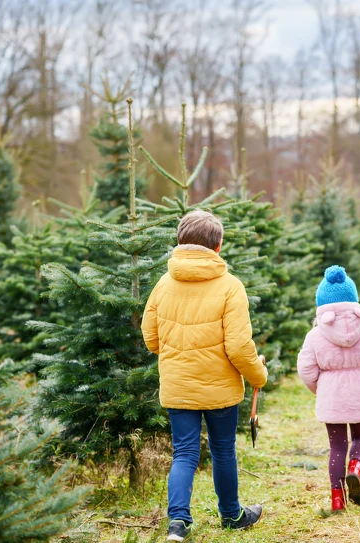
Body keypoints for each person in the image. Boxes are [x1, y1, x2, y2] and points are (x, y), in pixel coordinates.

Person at [141, 210, 268, 542]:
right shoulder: (230, 286)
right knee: (223, 449)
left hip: (178, 386)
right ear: (219, 245)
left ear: (180, 241)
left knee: (184, 453)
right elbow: (240, 347)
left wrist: (176, 356)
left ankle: (178, 524)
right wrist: (259, 375)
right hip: (220, 390)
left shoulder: (163, 284)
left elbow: (150, 337)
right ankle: (232, 515)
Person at [297, 265, 360, 512]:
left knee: (337, 446)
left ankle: (337, 499)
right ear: (354, 300)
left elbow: (305, 368)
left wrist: (319, 388)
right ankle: (355, 469)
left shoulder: (315, 335)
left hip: (332, 395)